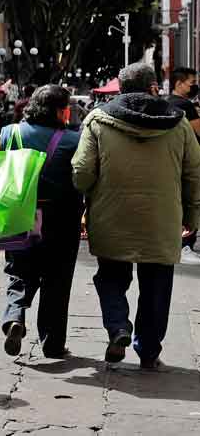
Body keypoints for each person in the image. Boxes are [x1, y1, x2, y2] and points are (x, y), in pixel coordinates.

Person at [72, 63, 200, 370]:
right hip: (163, 219)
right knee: (157, 286)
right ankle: (149, 350)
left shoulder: (97, 120)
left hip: (110, 216)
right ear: (154, 88)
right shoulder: (180, 123)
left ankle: (118, 327)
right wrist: (193, 218)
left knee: (111, 277)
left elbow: (81, 174)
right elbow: (194, 174)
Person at [0, 85, 84, 359]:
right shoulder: (73, 139)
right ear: (61, 110)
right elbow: (83, 177)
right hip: (62, 218)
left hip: (19, 215)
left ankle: (15, 318)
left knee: (19, 270)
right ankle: (52, 343)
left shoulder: (9, 133)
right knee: (57, 279)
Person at [166, 68, 200, 264]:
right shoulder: (185, 105)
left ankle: (179, 243)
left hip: (174, 160)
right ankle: (185, 245)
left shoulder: (166, 103)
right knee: (191, 201)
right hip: (190, 161)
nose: (194, 85)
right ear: (179, 84)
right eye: (191, 82)